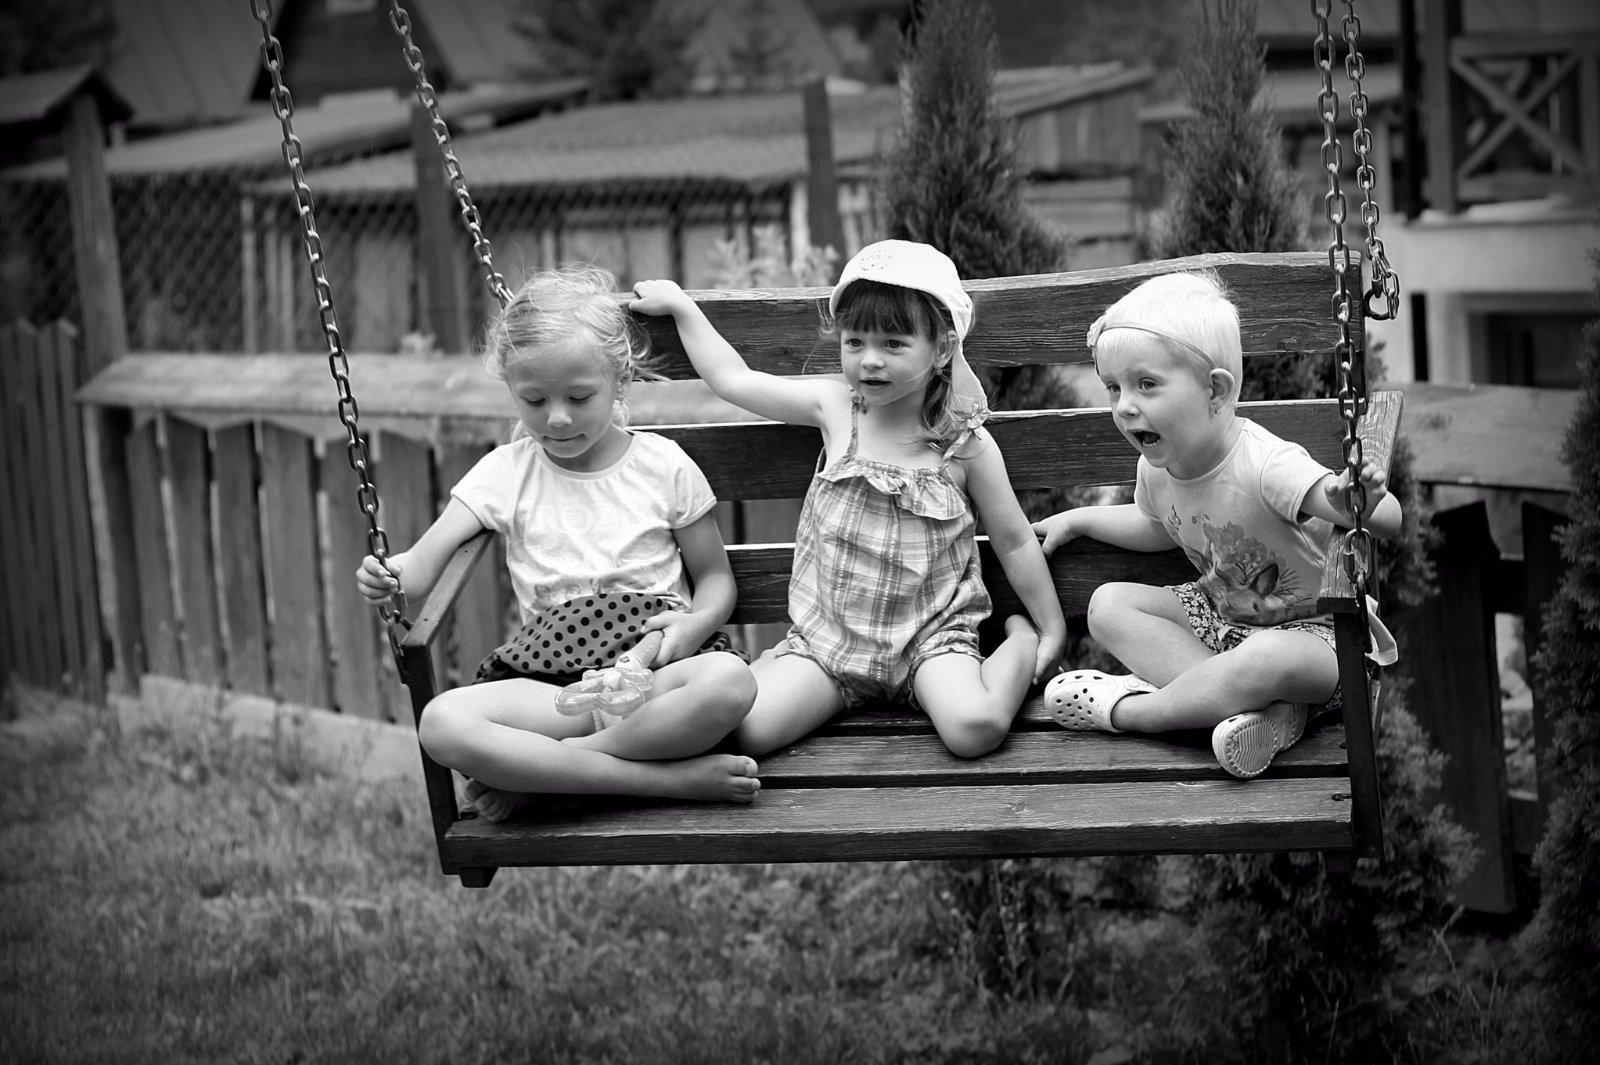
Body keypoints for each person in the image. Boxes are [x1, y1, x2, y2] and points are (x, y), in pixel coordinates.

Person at [631, 240, 1067, 758]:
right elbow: (734, 380)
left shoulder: (964, 445)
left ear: (943, 349)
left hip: (929, 644)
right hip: (828, 646)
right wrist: (682, 307)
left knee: (975, 729)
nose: (870, 361)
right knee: (748, 733)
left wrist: (1049, 627)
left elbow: (1014, 540)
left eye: (894, 343)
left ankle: (1016, 643)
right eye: (855, 341)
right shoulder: (836, 409)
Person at [356, 264, 759, 821]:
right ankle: (658, 781)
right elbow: (421, 566)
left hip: (653, 676)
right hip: (552, 685)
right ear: (511, 391)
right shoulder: (505, 471)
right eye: (535, 400)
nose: (559, 418)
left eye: (579, 396)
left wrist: (696, 624)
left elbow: (714, 578)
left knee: (730, 683)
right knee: (442, 723)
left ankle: (556, 773)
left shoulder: (662, 465)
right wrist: (391, 574)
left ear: (620, 381)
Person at [1031, 271, 1399, 778]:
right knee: (1108, 605)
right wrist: (1078, 520)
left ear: (1216, 391)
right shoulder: (1156, 468)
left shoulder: (1266, 465)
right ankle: (1258, 716)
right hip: (1223, 625)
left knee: (1265, 658)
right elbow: (1154, 524)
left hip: (1319, 642)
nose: (1124, 406)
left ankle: (1134, 712)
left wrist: (1359, 500)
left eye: (1146, 384)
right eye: (1113, 387)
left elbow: (1387, 520)